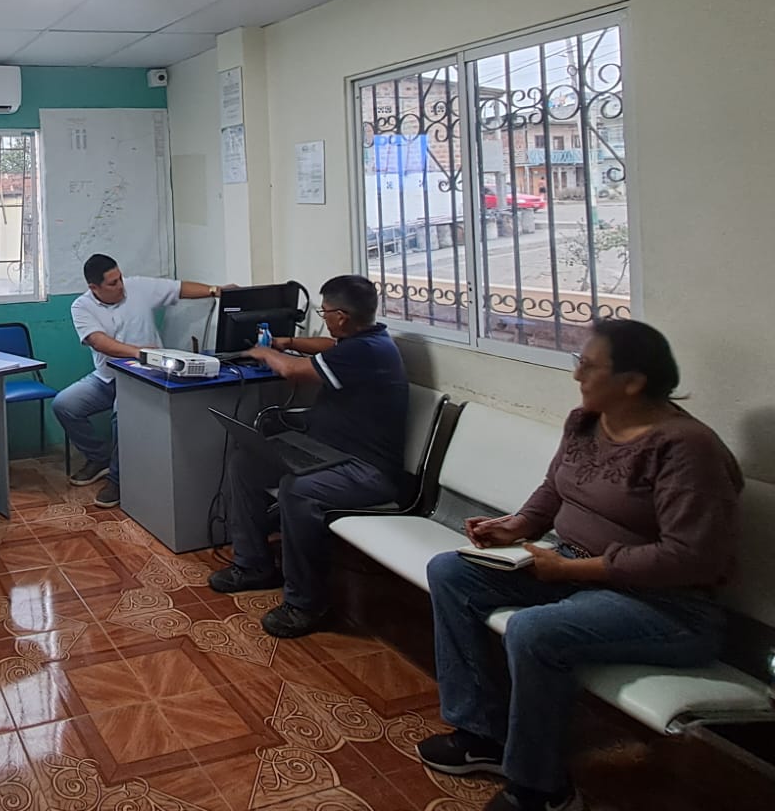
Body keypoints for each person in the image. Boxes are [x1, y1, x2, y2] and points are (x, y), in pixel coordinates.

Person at [417, 320, 743, 811]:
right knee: (452, 572)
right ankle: (483, 733)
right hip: (571, 566)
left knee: (534, 632)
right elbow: (554, 489)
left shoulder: (685, 447)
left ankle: (541, 789)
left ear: (632, 381)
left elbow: (689, 557)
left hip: (666, 606)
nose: (576, 375)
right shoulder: (586, 421)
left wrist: (571, 572)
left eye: (588, 366)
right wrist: (516, 526)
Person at [208, 274, 409, 639]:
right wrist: (286, 341)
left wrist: (265, 352)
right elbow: (327, 346)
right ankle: (253, 565)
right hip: (327, 455)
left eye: (325, 312)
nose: (324, 317)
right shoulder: (363, 339)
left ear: (342, 317)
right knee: (245, 463)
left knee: (297, 490)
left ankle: (306, 603)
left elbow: (292, 370)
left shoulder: (366, 351)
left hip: (366, 471)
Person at [55, 253, 231, 510]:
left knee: (122, 414)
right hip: (106, 378)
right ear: (94, 288)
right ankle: (100, 458)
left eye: (120, 278)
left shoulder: (138, 287)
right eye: (113, 283)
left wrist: (216, 290)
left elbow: (179, 289)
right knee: (64, 405)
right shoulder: (81, 307)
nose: (121, 285)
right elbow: (99, 342)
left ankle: (118, 479)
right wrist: (139, 352)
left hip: (145, 377)